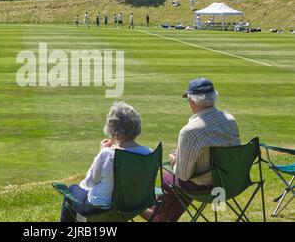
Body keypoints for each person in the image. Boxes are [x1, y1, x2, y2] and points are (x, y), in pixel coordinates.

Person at [142, 78, 240, 222]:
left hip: (206, 188)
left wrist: (175, 160)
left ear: (192, 101)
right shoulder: (230, 120)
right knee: (180, 185)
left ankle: (158, 217)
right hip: (231, 183)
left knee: (169, 180)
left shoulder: (190, 131)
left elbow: (183, 175)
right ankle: (161, 218)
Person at [61, 102, 153, 222]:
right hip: (130, 208)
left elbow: (88, 183)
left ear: (114, 130)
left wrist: (101, 152)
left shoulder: (107, 154)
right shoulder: (148, 153)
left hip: (101, 210)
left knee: (72, 190)